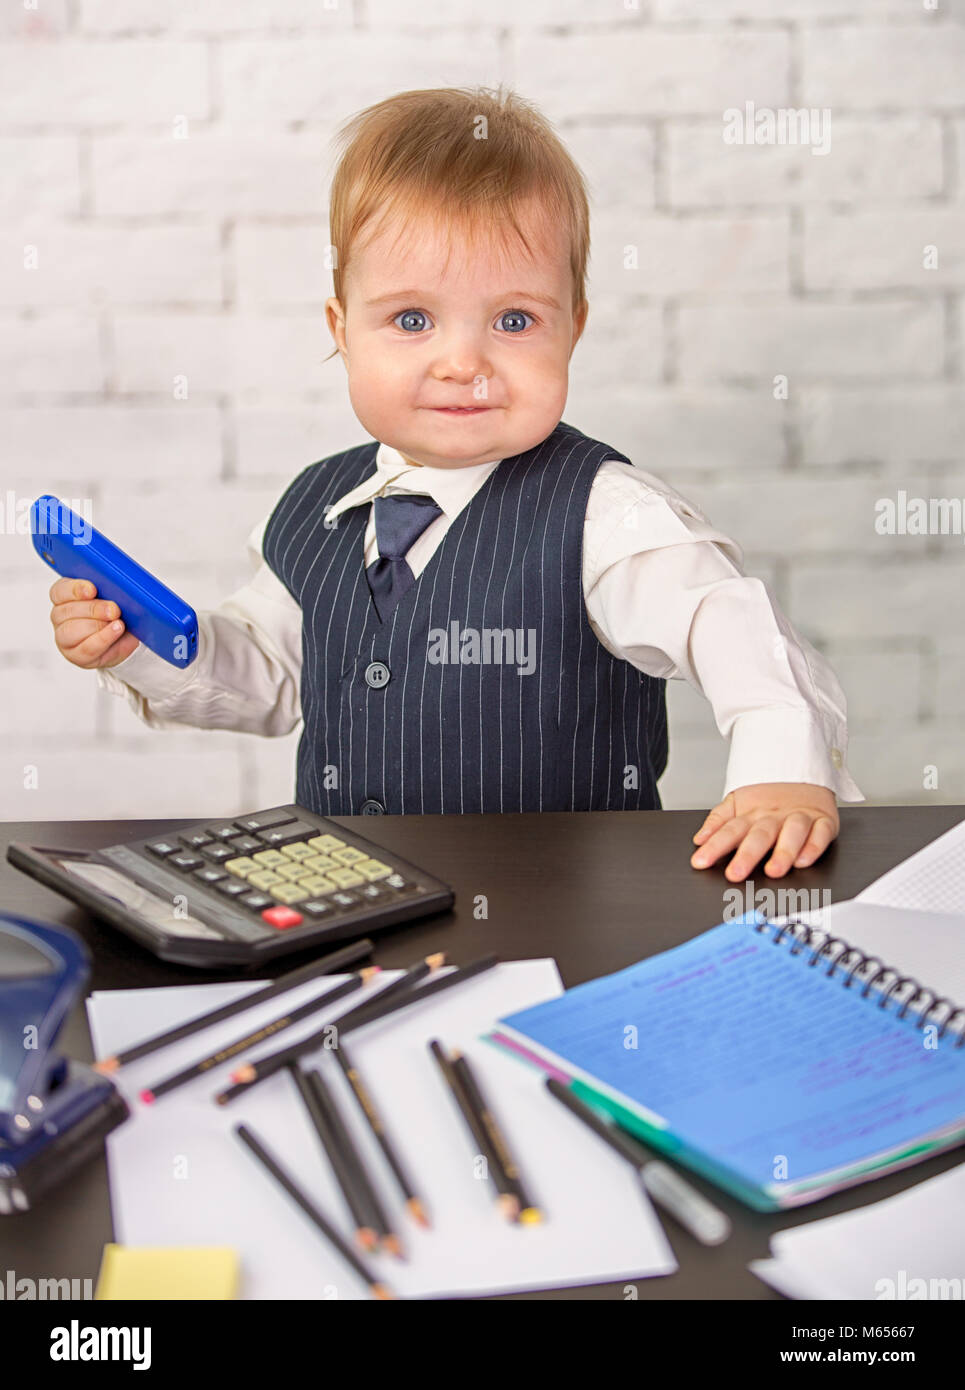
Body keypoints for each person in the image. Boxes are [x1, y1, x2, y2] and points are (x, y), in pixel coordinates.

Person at [48, 85, 863, 884]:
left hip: (559, 916)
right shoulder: (312, 510)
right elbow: (270, 675)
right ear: (343, 330)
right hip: (350, 908)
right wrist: (144, 645)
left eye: (514, 321)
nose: (462, 363)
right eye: (411, 320)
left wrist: (780, 764)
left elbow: (729, 625)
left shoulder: (601, 512)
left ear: (571, 326)